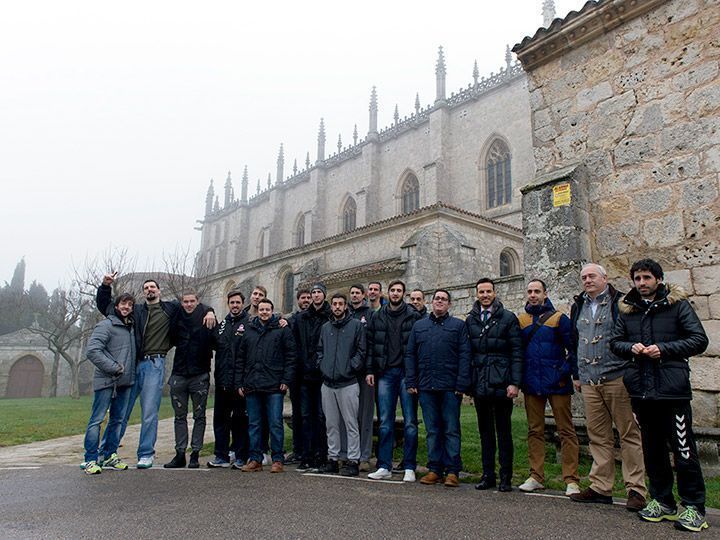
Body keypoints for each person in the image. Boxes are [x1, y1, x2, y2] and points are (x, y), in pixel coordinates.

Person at [611, 259, 710, 532]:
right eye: (637, 279)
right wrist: (632, 347)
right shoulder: (627, 310)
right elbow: (615, 343)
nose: (642, 283)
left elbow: (699, 340)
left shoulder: (677, 305)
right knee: (653, 451)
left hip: (672, 392)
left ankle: (693, 506)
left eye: (646, 278)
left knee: (684, 450)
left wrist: (663, 349)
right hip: (643, 393)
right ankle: (663, 501)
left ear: (658, 279)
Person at [96, 273, 216, 469]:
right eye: (146, 288)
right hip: (132, 364)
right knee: (121, 412)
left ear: (159, 291)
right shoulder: (136, 311)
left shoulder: (171, 308)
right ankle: (106, 452)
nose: (149, 290)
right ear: (143, 293)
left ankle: (145, 454)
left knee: (149, 413)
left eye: (153, 287)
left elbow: (192, 306)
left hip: (155, 364)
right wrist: (105, 286)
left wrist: (209, 311)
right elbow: (107, 307)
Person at [569, 263, 647, 511]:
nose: (587, 280)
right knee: (598, 435)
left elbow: (633, 337)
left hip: (617, 378)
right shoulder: (578, 305)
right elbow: (574, 342)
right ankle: (601, 487)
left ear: (605, 278)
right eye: (584, 277)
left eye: (592, 276)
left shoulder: (621, 302)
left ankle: (635, 489)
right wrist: (577, 374)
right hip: (589, 380)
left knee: (629, 433)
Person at [518, 279, 580, 496]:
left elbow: (572, 349)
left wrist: (565, 373)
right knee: (535, 430)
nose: (533, 295)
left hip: (557, 382)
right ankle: (536, 475)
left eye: (537, 291)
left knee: (566, 430)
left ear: (545, 294)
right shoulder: (522, 320)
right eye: (530, 291)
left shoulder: (558, 318)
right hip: (532, 382)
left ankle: (571, 479)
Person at [405, 289, 471, 488]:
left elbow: (465, 355)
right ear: (431, 302)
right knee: (432, 430)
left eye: (443, 299)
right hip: (426, 386)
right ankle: (434, 469)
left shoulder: (458, 326)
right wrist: (411, 381)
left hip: (450, 387)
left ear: (449, 304)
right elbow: (410, 355)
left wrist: (461, 383)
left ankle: (452, 471)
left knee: (451, 429)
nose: (439, 302)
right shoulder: (419, 326)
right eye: (437, 299)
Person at [465, 278, 522, 492]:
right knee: (485, 433)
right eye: (481, 292)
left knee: (504, 432)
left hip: (502, 383)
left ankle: (505, 477)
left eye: (489, 291)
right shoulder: (471, 320)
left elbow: (516, 352)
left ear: (495, 293)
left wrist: (514, 383)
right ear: (477, 294)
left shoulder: (508, 318)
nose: (485, 295)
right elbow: (468, 353)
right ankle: (487, 475)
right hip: (480, 383)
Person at [366, 280, 422, 482]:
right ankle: (384, 466)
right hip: (385, 374)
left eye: (399, 291)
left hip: (406, 374)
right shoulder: (377, 316)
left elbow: (418, 348)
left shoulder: (413, 316)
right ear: (387, 293)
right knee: (385, 422)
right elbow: (371, 345)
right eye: (393, 291)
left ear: (404, 294)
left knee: (410, 422)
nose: (396, 293)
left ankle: (409, 467)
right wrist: (371, 370)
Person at [236, 299, 296, 473]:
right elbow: (241, 358)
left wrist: (286, 379)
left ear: (272, 311)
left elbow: (291, 356)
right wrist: (240, 382)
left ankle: (278, 459)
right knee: (254, 424)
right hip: (252, 384)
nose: (264, 312)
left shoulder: (282, 330)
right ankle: (256, 459)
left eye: (267, 309)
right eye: (261, 309)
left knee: (275, 423)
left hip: (275, 384)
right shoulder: (249, 330)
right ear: (257, 311)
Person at [83, 293, 136, 475]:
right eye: (123, 303)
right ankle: (90, 459)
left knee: (117, 420)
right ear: (116, 306)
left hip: (125, 382)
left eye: (130, 304)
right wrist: (114, 367)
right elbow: (92, 351)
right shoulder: (106, 325)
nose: (126, 307)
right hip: (106, 380)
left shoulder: (131, 327)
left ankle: (110, 455)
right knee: (97, 420)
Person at [317, 293, 366, 476]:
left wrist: (351, 367)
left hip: (348, 382)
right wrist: (322, 366)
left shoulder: (356, 326)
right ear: (331, 306)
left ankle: (353, 460)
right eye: (334, 304)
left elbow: (361, 351)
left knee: (351, 423)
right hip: (328, 383)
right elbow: (320, 350)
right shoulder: (325, 328)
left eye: (340, 304)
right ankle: (333, 459)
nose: (337, 306)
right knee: (331, 424)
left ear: (345, 306)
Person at [164, 290, 213, 469]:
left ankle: (195, 454)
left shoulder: (206, 316)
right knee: (179, 416)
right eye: (186, 301)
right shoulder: (177, 316)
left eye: (192, 301)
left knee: (199, 416)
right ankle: (179, 454)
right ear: (182, 303)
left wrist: (210, 311)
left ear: (197, 302)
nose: (189, 304)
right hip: (179, 374)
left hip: (199, 375)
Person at [208, 289, 249, 468]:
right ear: (228, 304)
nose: (235, 305)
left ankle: (241, 456)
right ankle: (221, 456)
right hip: (222, 382)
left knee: (240, 421)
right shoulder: (223, 325)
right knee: (220, 420)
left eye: (238, 302)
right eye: (232, 302)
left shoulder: (248, 323)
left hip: (239, 383)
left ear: (242, 303)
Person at [293, 283, 332, 470]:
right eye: (313, 292)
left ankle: (321, 455)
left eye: (318, 293)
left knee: (321, 416)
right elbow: (294, 344)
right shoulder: (300, 318)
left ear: (324, 296)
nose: (316, 295)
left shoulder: (330, 316)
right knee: (306, 416)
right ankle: (306, 455)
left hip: (322, 375)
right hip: (303, 375)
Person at [348, 283, 374, 470]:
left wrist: (371, 369)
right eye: (352, 293)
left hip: (365, 372)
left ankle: (364, 456)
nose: (355, 296)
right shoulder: (345, 314)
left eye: (358, 293)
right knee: (348, 416)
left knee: (365, 415)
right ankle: (350, 454)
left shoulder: (370, 314)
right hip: (347, 373)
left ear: (363, 295)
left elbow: (372, 343)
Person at [286, 288, 311, 464]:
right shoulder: (291, 320)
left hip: (312, 375)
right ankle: (298, 450)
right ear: (298, 301)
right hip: (296, 375)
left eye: (309, 298)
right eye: (303, 298)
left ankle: (309, 451)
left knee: (309, 414)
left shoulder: (316, 319)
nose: (306, 300)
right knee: (297, 414)